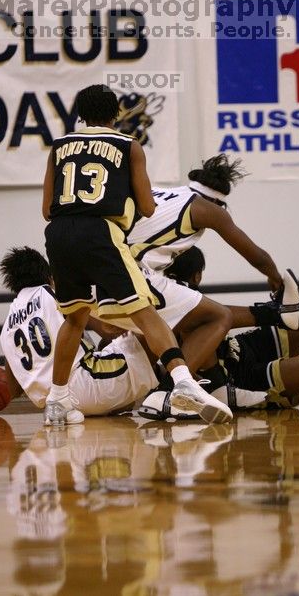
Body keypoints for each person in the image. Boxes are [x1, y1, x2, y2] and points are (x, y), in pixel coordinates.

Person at [41, 85, 233, 426]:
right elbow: (147, 206)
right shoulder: (129, 146)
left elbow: (46, 209)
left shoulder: (59, 147)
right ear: (116, 114)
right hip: (99, 233)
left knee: (74, 318)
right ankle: (183, 383)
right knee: (147, 314)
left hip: (57, 234)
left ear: (80, 115)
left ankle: (57, 401)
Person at [0, 247, 265, 418]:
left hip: (58, 404)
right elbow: (104, 326)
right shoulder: (52, 294)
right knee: (164, 316)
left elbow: (14, 387)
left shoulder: (8, 325)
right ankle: (183, 388)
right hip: (89, 385)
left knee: (140, 335)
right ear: (48, 275)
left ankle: (181, 383)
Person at [138, 247, 299, 419]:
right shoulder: (160, 304)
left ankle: (276, 315)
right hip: (238, 379)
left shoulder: (168, 292)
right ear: (198, 275)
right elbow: (215, 318)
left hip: (240, 348)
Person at [127, 153, 299, 331]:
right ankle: (274, 315)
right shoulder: (206, 208)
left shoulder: (161, 191)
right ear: (215, 202)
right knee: (216, 317)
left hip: (106, 264)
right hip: (132, 274)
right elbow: (257, 257)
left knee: (173, 318)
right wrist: (275, 279)